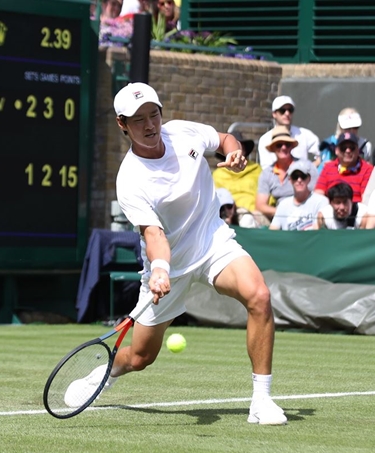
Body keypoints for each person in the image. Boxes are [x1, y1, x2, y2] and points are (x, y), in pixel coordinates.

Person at [71, 82, 287, 425]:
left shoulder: (182, 133)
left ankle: (261, 400)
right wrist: (159, 269)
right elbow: (153, 233)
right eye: (138, 119)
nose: (150, 125)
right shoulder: (130, 179)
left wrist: (233, 153)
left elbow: (223, 139)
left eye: (154, 114)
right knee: (141, 357)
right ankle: (104, 376)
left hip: (213, 241)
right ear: (122, 124)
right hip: (168, 266)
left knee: (259, 296)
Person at [255, 125, 318, 223]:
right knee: (254, 216)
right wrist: (283, 213)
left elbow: (317, 195)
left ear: (292, 146)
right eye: (279, 145)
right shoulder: (267, 173)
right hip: (279, 215)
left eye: (287, 144)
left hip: (306, 215)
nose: (283, 147)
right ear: (273, 148)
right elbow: (260, 205)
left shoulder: (307, 166)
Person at [213, 131, 265, 227]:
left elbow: (266, 196)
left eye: (238, 146)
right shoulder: (218, 174)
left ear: (244, 149)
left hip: (256, 215)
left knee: (248, 220)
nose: (234, 150)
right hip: (228, 216)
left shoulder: (257, 170)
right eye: (230, 147)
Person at [257, 96, 319, 170]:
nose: (287, 113)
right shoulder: (265, 139)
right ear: (274, 114)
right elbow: (266, 168)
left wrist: (308, 170)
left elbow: (321, 156)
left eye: (290, 110)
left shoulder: (304, 134)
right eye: (282, 110)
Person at [314, 132, 373, 203]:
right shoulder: (328, 167)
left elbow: (366, 199)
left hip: (356, 210)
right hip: (331, 208)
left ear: (358, 150)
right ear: (336, 151)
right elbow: (318, 194)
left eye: (352, 147)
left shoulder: (367, 169)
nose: (348, 151)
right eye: (343, 148)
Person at [269, 160, 328, 231]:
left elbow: (317, 230)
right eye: (295, 176)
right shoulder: (283, 205)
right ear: (290, 180)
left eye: (303, 176)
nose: (299, 180)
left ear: (309, 178)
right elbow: (273, 230)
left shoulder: (321, 201)